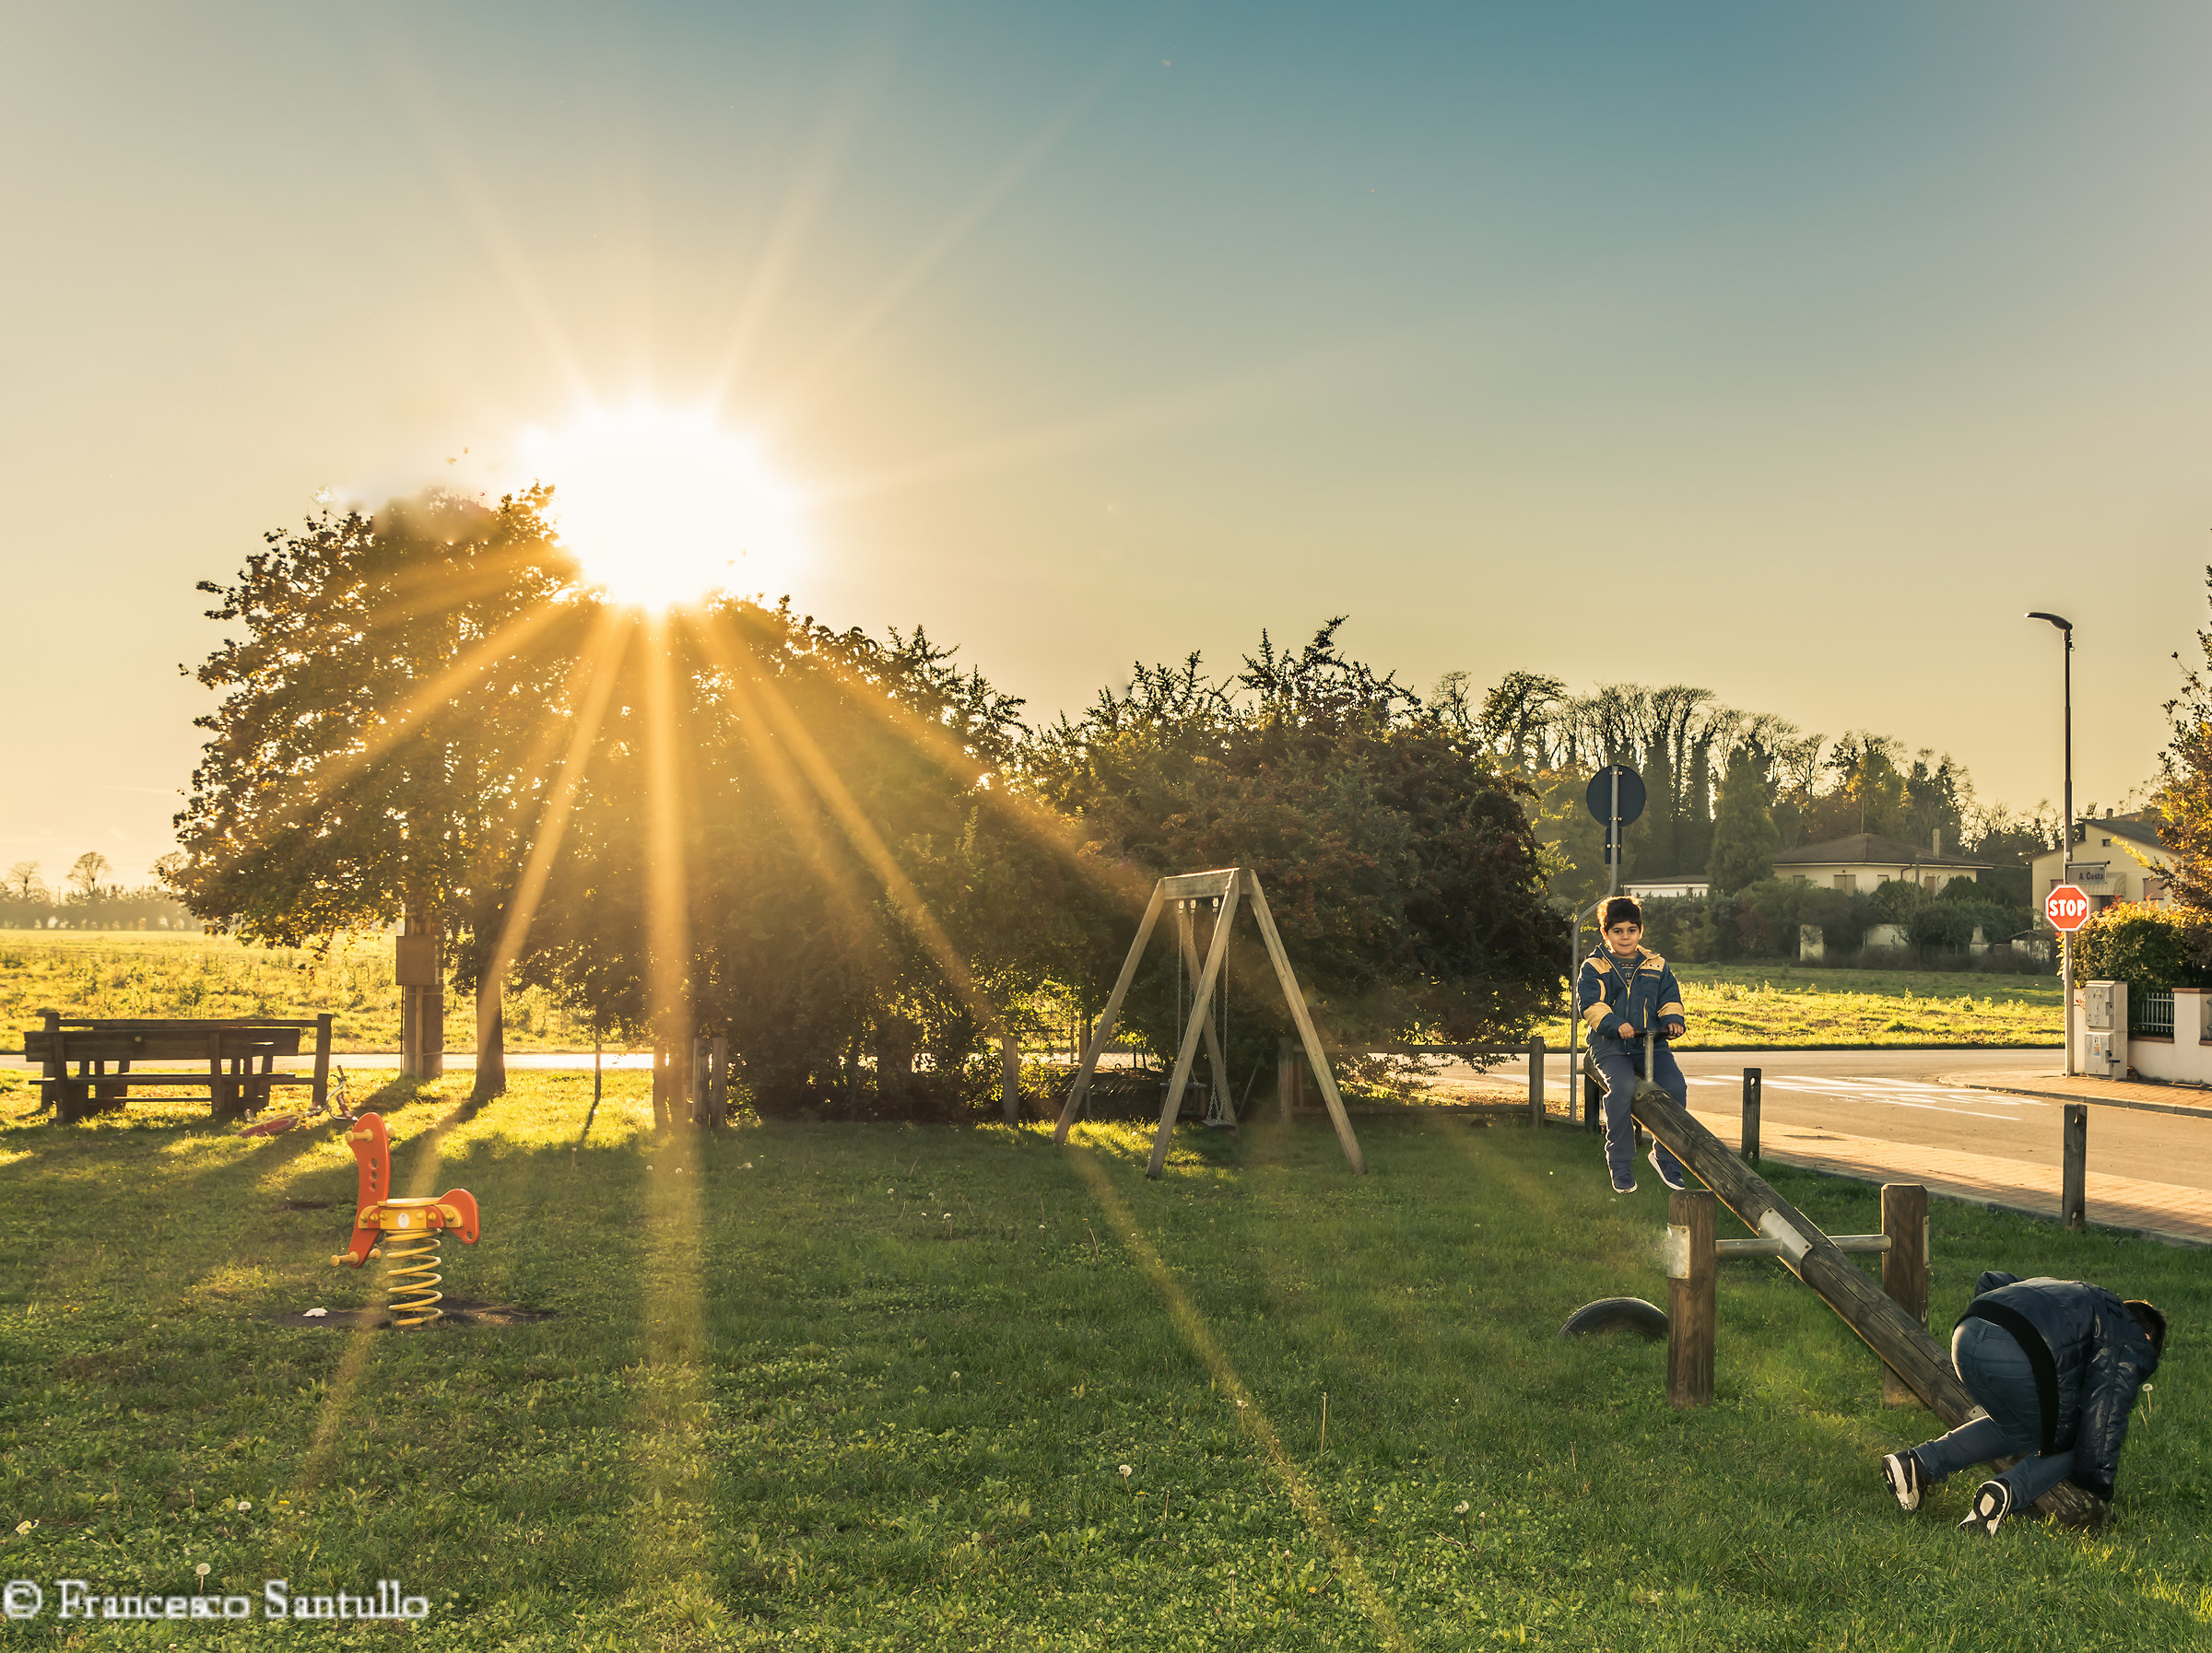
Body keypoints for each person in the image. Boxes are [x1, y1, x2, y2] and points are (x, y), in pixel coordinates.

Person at [1881, 1272, 2166, 1534]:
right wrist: (2095, 1489)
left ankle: (1917, 1463)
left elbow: (1992, 1279)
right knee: (2076, 1441)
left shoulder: (2081, 1295)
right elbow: (2101, 1425)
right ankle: (2005, 1492)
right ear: (2147, 1338)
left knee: (2014, 1429)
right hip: (2016, 1354)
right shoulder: (2129, 1337)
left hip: (1966, 1337)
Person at [1576, 895, 1691, 1195]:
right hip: (1610, 1046)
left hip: (1651, 1045)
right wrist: (1616, 1025)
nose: (1625, 937)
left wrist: (1673, 1019)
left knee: (1676, 1087)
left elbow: (1669, 997)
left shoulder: (1656, 965)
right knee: (1623, 1087)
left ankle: (1666, 1157)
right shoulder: (1595, 967)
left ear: (1640, 931)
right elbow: (1590, 1005)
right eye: (1617, 931)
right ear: (1606, 933)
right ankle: (1621, 1161)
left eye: (1631, 930)